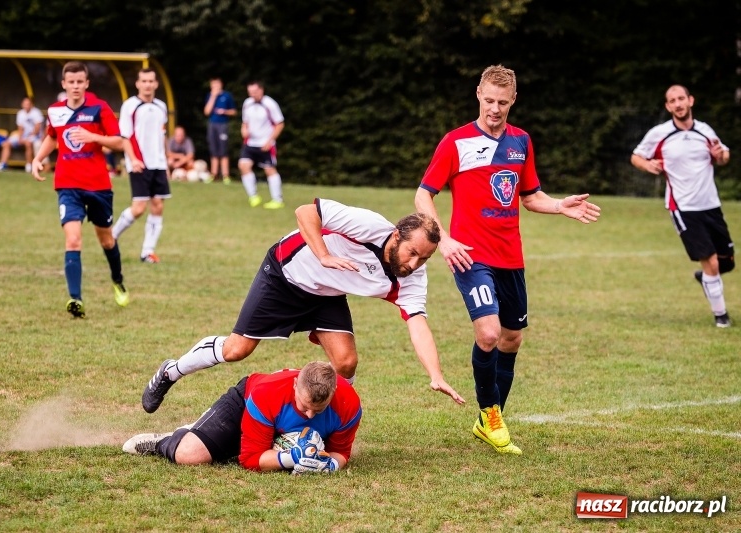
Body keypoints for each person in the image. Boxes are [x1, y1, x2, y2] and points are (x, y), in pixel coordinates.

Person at [414, 64, 601, 455]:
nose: (495, 109)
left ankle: (488, 419)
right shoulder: (456, 142)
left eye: (503, 102)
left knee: (512, 339)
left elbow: (530, 197)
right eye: (489, 100)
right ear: (477, 95)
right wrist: (444, 240)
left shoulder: (522, 142)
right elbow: (423, 195)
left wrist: (559, 206)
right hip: (469, 256)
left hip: (510, 258)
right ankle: (492, 416)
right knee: (489, 334)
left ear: (513, 100)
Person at [140, 197, 466, 414]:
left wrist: (435, 374)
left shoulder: (411, 278)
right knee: (237, 350)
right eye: (412, 252)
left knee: (346, 362)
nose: (415, 263)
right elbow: (305, 212)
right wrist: (324, 255)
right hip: (285, 275)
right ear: (395, 236)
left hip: (325, 294)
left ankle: (327, 423)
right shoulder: (367, 225)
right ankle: (171, 371)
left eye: (425, 258)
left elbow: (417, 323)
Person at [124, 361, 361, 473]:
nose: (309, 415)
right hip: (245, 403)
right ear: (295, 383)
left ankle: (208, 435)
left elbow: (340, 452)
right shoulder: (267, 394)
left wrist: (330, 465)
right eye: (304, 406)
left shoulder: (348, 406)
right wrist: (291, 458)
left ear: (333, 393)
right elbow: (249, 460)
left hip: (275, 425)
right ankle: (166, 440)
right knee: (189, 454)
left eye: (317, 410)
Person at [30, 61, 129, 318]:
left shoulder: (99, 109)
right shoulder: (55, 111)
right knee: (73, 239)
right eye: (70, 82)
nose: (75, 86)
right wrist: (38, 158)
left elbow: (119, 141)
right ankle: (75, 299)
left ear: (86, 83)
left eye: (79, 82)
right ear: (64, 84)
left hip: (98, 185)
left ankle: (117, 280)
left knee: (106, 240)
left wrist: (93, 137)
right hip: (67, 184)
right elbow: (53, 137)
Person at [631, 85, 733, 328]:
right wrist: (648, 166)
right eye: (672, 101)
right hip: (683, 207)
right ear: (668, 107)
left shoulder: (705, 130)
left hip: (711, 205)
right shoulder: (660, 133)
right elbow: (636, 156)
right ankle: (721, 317)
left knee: (726, 262)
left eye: (681, 99)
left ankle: (706, 279)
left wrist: (720, 156)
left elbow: (724, 156)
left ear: (690, 101)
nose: (677, 104)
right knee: (710, 261)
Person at [113, 68, 170, 264]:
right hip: (139, 163)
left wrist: (166, 162)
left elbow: (162, 136)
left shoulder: (161, 106)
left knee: (158, 206)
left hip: (159, 163)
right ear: (137, 84)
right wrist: (133, 159)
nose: (147, 84)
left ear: (156, 84)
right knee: (138, 208)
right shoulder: (130, 106)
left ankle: (147, 251)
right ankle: (111, 237)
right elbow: (125, 136)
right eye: (144, 81)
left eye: (151, 81)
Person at [239, 81, 285, 209]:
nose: (252, 95)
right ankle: (253, 196)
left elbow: (280, 124)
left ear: (261, 90)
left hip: (265, 143)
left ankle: (277, 199)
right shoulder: (247, 103)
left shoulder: (270, 104)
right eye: (250, 92)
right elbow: (245, 122)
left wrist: (270, 141)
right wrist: (243, 130)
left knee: (269, 170)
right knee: (243, 165)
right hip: (250, 143)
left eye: (254, 92)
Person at [0, 96, 45, 173]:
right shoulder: (20, 113)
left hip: (35, 136)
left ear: (31, 104)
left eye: (28, 104)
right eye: (24, 104)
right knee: (6, 143)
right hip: (24, 136)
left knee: (28, 143)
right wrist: (20, 137)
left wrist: (29, 136)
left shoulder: (36, 112)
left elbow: (37, 127)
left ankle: (29, 165)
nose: (26, 105)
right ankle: (3, 164)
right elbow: (20, 127)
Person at [203, 77, 237, 184]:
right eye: (213, 85)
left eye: (217, 84)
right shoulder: (210, 96)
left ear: (221, 84)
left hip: (223, 125)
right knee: (213, 150)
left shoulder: (227, 96)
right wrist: (213, 96)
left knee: (223, 150)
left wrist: (225, 112)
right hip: (212, 124)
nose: (215, 87)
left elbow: (234, 112)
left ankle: (226, 175)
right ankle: (214, 174)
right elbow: (207, 112)